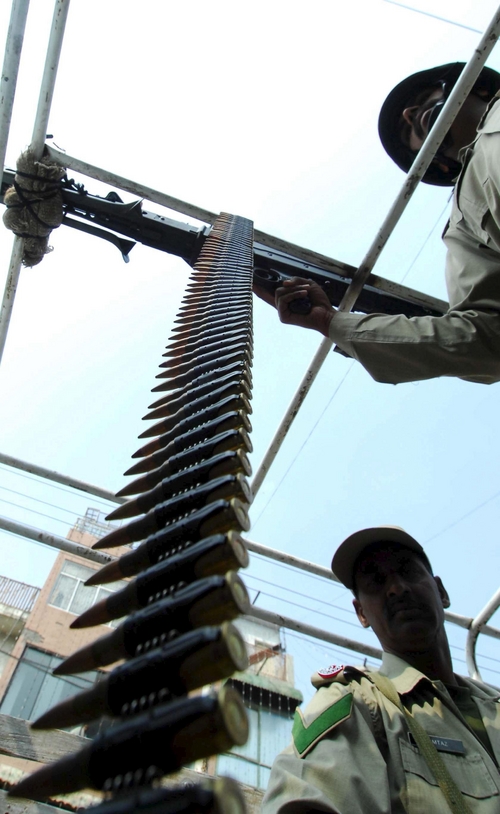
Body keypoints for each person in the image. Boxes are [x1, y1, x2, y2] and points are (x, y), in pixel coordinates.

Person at [255, 63, 500, 385]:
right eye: (407, 135)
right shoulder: (464, 222)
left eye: (424, 98)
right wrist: (330, 322)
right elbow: (486, 339)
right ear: (436, 163)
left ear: (477, 87)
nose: (410, 114)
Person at [261, 526, 500, 813]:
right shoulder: (359, 701)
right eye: (376, 581)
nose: (397, 587)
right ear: (361, 613)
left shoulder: (494, 704)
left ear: (441, 592)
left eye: (408, 571)